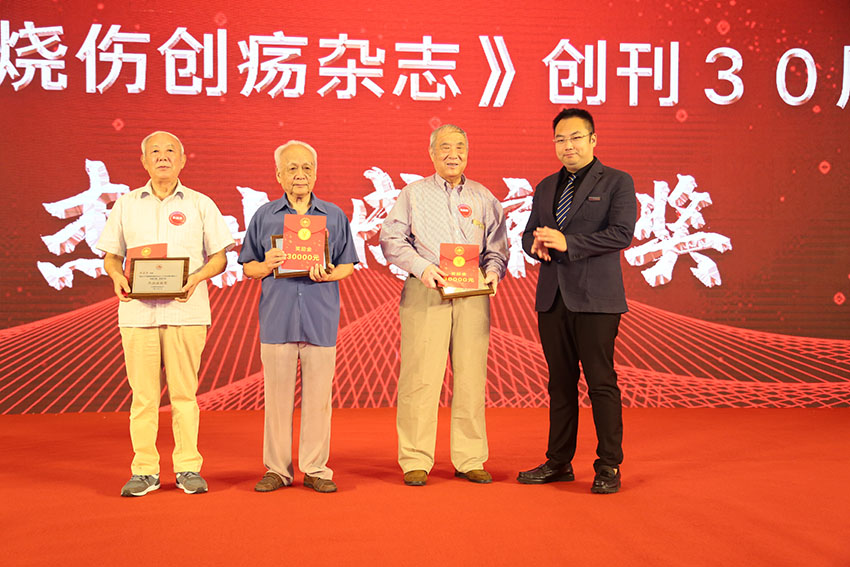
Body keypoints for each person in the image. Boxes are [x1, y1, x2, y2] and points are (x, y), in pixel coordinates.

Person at [97, 131, 235, 496]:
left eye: (170, 151)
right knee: (143, 397)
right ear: (143, 161)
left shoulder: (201, 204)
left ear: (183, 159)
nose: (163, 157)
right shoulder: (126, 204)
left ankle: (188, 467)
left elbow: (220, 257)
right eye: (154, 151)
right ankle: (144, 471)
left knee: (184, 395)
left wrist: (196, 278)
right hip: (137, 314)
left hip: (185, 311)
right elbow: (111, 256)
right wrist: (116, 276)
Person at [380, 124, 508, 486]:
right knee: (420, 377)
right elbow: (391, 239)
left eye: (460, 147)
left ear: (468, 151)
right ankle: (415, 458)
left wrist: (493, 271)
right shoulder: (414, 194)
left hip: (472, 294)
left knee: (471, 378)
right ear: (432, 153)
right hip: (427, 290)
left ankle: (470, 458)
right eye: (445, 147)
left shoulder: (484, 197)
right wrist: (423, 268)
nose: (453, 154)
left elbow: (498, 246)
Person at [517, 108, 636, 493]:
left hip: (597, 299)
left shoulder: (617, 181)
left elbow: (622, 233)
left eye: (575, 137)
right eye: (560, 139)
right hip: (553, 299)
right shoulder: (546, 186)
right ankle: (558, 461)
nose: (567, 146)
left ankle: (609, 465)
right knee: (560, 384)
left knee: (601, 381)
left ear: (593, 140)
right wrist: (535, 246)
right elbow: (528, 235)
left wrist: (569, 243)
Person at [238, 140, 358, 494]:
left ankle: (316, 468)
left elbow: (348, 265)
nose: (300, 175)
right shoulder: (264, 215)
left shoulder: (334, 215)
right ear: (278, 175)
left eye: (307, 167)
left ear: (316, 173)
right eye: (292, 168)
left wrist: (329, 273)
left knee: (319, 401)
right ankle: (277, 470)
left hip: (320, 318)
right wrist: (266, 264)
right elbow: (248, 267)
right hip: (278, 318)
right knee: (277, 401)